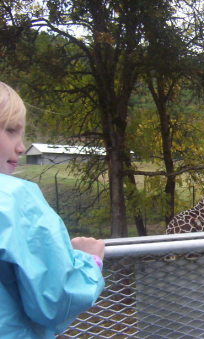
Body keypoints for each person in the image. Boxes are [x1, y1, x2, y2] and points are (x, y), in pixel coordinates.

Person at [0, 81, 105, 338]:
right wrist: (89, 262)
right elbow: (56, 299)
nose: (21, 147)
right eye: (11, 131)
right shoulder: (15, 200)